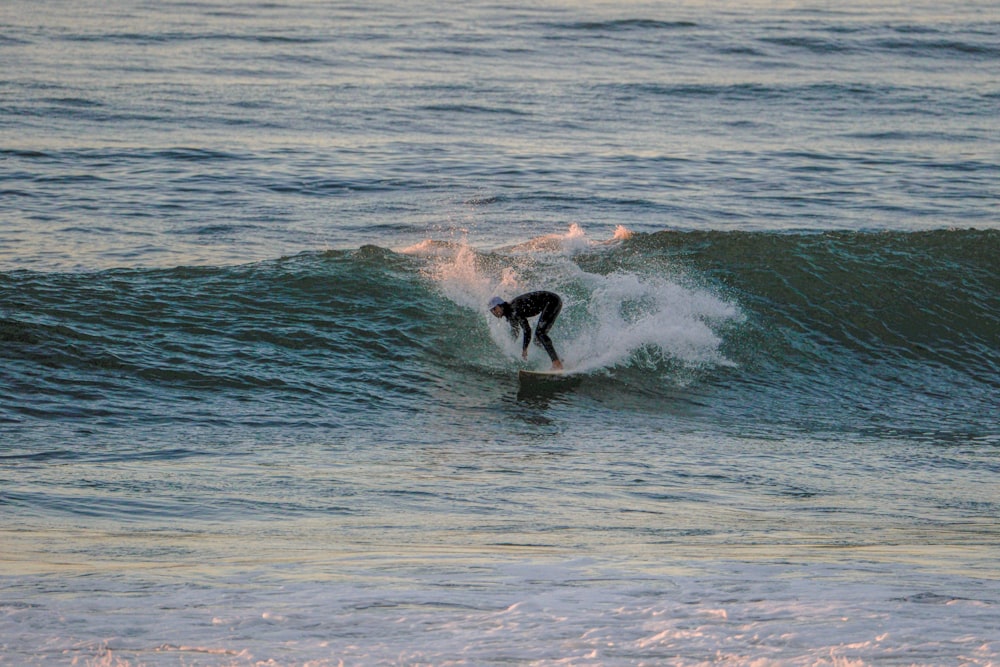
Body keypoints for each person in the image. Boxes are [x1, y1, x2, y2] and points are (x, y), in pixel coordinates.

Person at [488, 291, 564, 370]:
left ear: (500, 305)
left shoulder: (514, 310)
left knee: (540, 333)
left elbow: (527, 330)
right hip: (550, 302)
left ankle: (557, 363)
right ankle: (558, 358)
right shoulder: (510, 313)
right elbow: (515, 331)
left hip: (552, 301)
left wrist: (525, 349)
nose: (494, 312)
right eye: (491, 311)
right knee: (537, 341)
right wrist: (508, 347)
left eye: (494, 309)